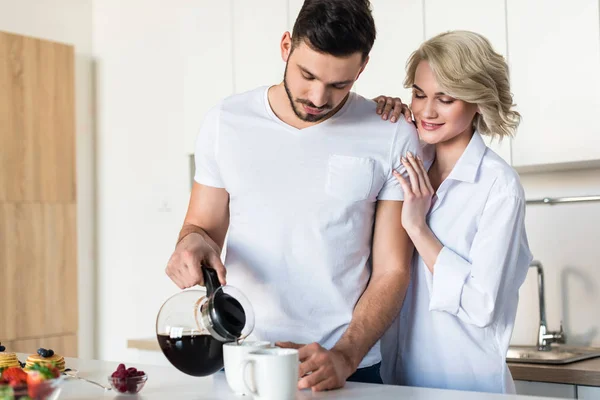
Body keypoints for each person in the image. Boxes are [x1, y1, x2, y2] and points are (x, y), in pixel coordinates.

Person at [165, 0, 420, 391]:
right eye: (307, 75)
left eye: (339, 84)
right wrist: (191, 244)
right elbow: (202, 227)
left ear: (362, 68)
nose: (319, 98)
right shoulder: (226, 122)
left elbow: (392, 269)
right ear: (286, 46)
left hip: (344, 364)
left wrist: (346, 356)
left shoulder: (390, 132)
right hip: (240, 354)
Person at [374, 30, 533, 394]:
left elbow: (481, 304)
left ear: (478, 101)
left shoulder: (498, 186)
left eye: (445, 99)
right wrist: (374, 117)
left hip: (465, 385)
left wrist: (418, 228)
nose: (427, 111)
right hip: (395, 382)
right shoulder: (407, 162)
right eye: (418, 94)